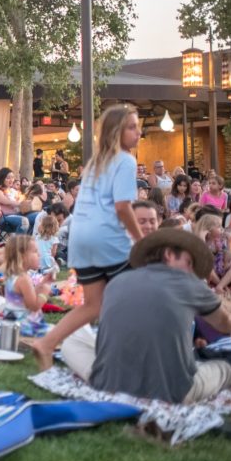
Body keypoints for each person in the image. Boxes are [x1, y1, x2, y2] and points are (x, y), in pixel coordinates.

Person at [61, 229, 231, 403]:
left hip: (111, 381)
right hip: (172, 390)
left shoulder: (119, 281)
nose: (191, 271)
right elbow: (223, 321)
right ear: (170, 255)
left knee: (72, 340)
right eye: (189, 263)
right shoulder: (189, 283)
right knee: (226, 369)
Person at [33, 104, 144, 370]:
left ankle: (47, 343)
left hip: (81, 239)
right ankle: (129, 355)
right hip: (107, 239)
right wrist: (141, 240)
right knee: (136, 297)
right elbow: (122, 207)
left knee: (95, 305)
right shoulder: (126, 161)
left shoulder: (96, 163)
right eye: (132, 127)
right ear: (116, 131)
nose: (138, 132)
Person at [0, 235, 50, 337]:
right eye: (35, 251)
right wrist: (45, 292)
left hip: (11, 321)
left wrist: (41, 285)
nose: (39, 254)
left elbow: (24, 297)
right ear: (22, 256)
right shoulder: (24, 278)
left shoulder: (14, 275)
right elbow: (34, 306)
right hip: (24, 325)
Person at [0, 168, 29, 235]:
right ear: (2, 179)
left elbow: (20, 199)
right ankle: (16, 244)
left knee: (37, 217)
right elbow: (8, 202)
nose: (11, 180)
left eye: (12, 177)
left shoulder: (12, 190)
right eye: (8, 178)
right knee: (24, 222)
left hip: (16, 214)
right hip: (3, 218)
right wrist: (22, 203)